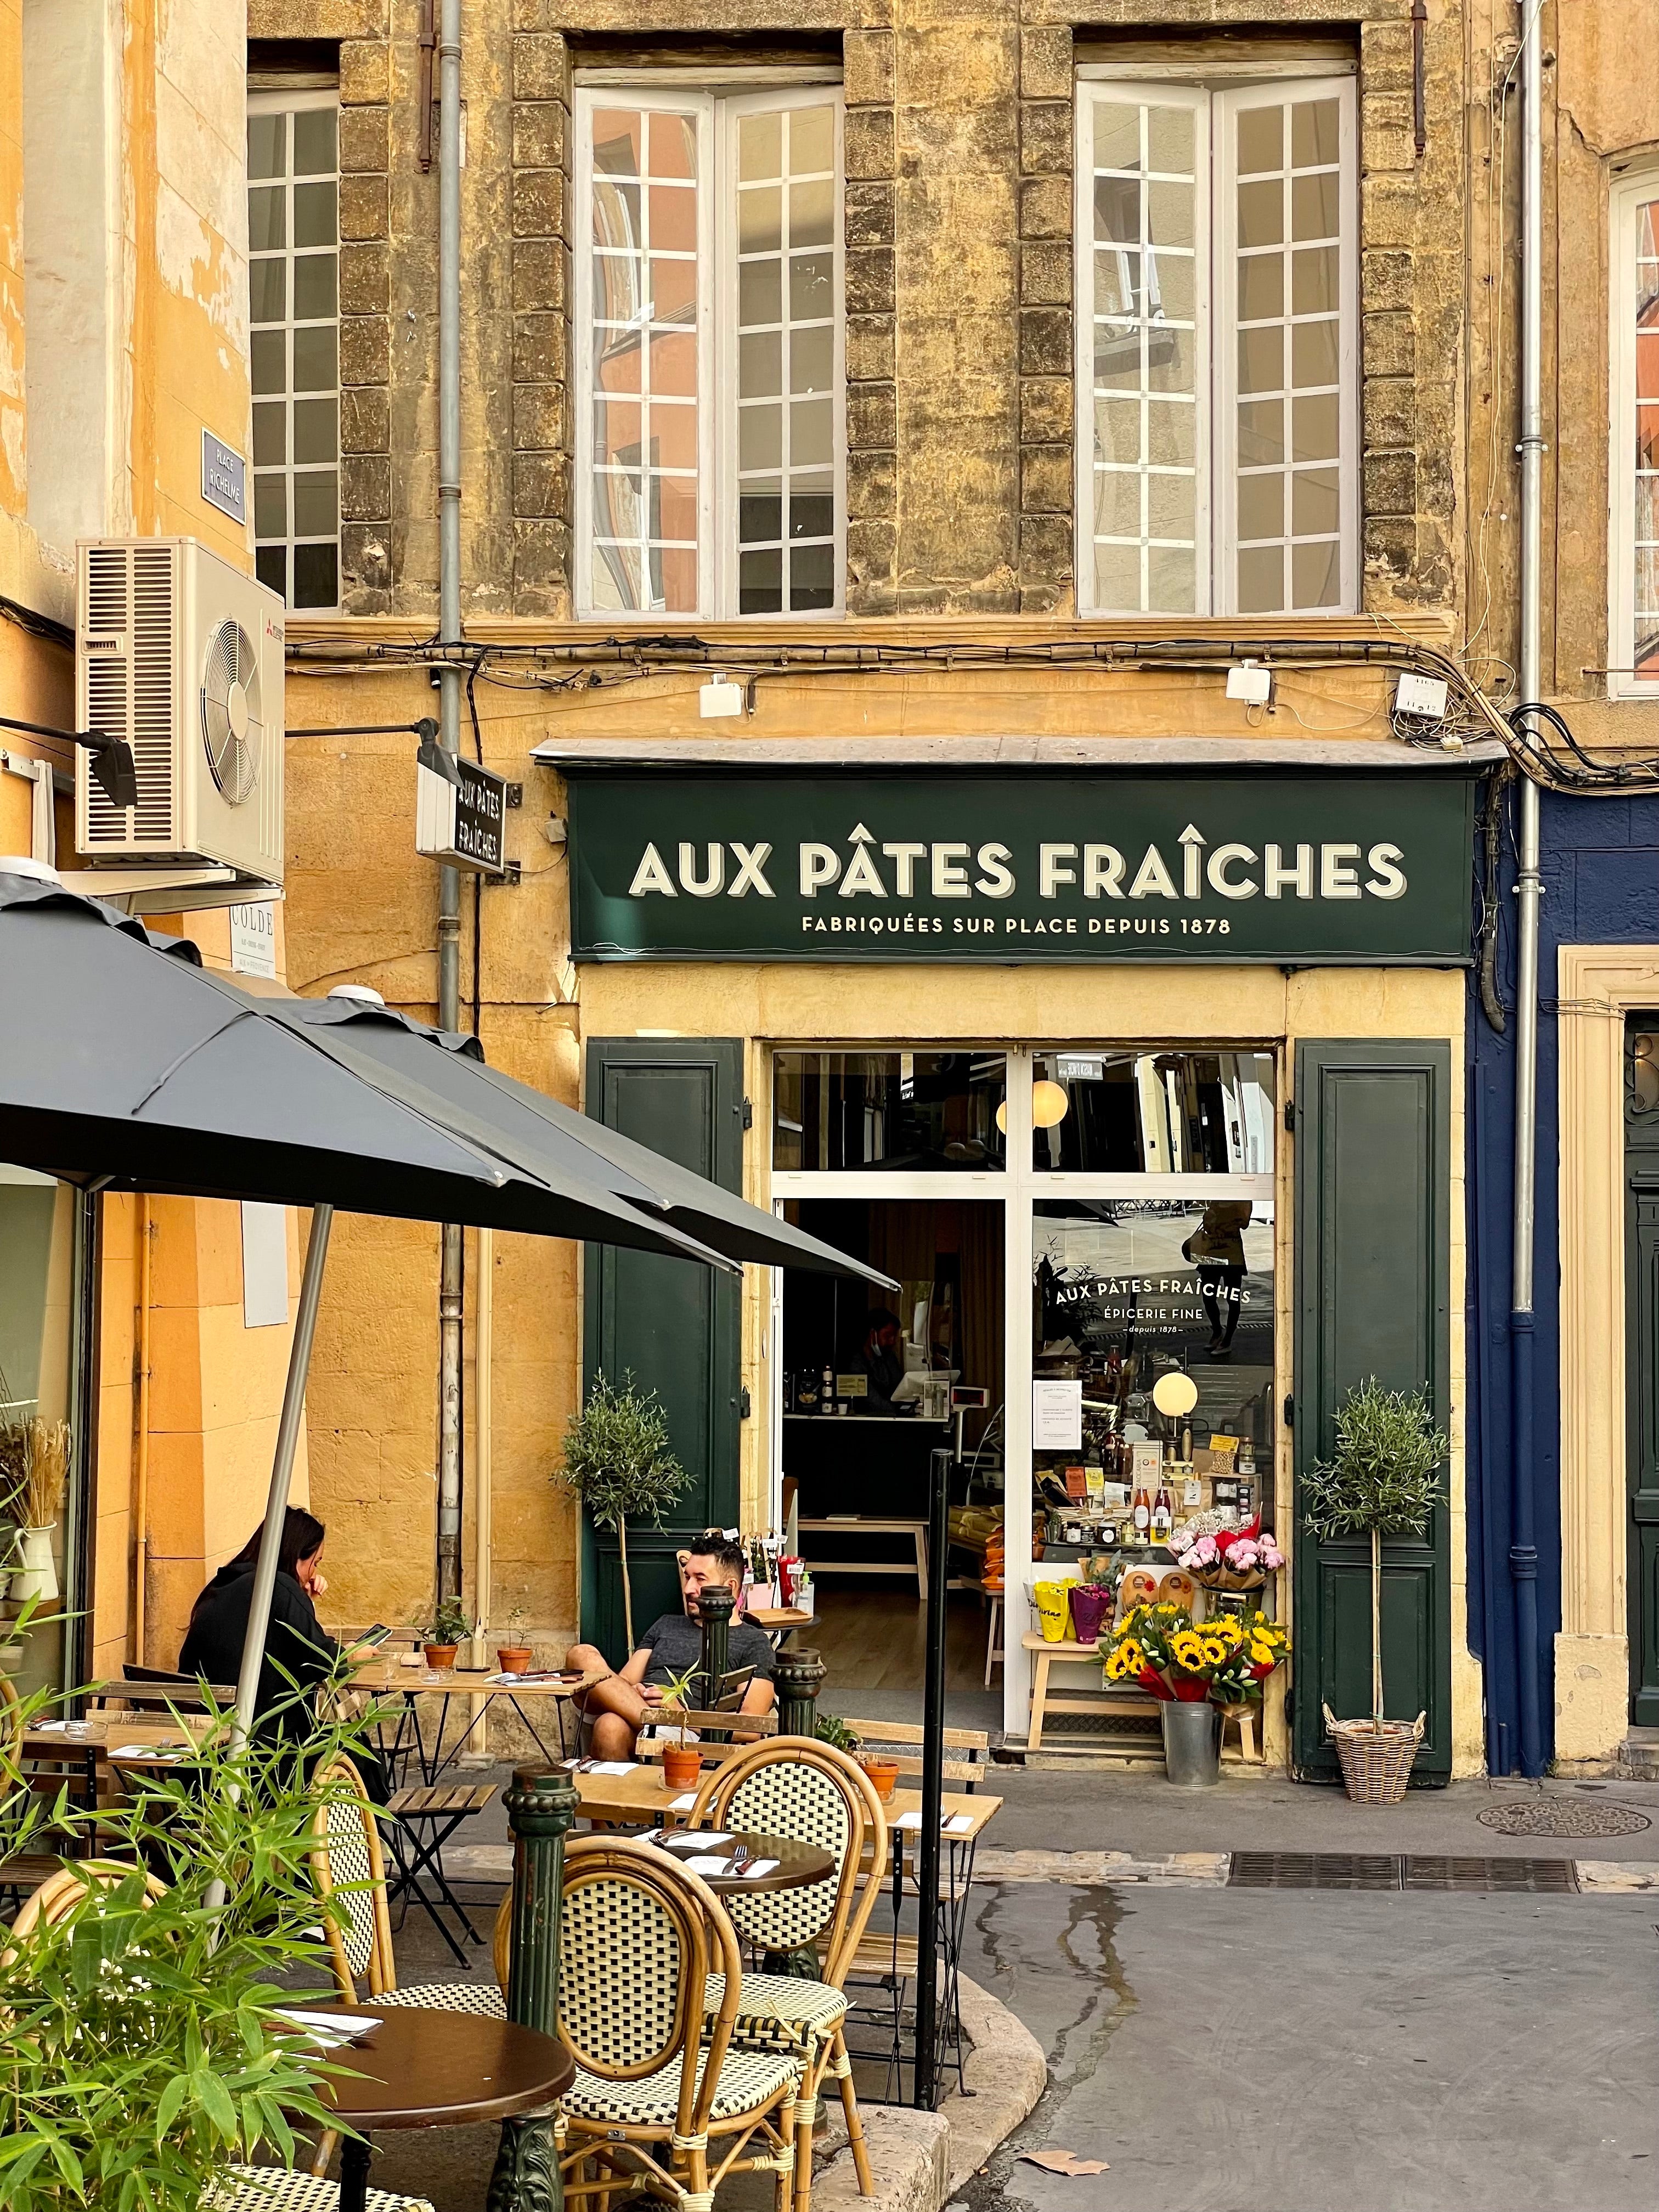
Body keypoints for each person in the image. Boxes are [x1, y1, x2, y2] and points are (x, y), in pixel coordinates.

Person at [178, 1506, 376, 1759]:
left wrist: (305, 1600)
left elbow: (286, 1644)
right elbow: (323, 1660)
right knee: (357, 1749)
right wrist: (355, 1654)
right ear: (295, 1555)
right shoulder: (279, 1586)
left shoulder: (223, 1584)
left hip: (209, 1744)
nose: (313, 1574)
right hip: (264, 1745)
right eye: (314, 1563)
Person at [564, 1533, 776, 1762]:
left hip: (691, 1738)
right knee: (582, 1658)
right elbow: (621, 1684)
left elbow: (752, 1726)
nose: (688, 1589)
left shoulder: (754, 1642)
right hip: (642, 1724)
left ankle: (662, 1726)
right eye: (687, 1578)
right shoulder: (666, 1624)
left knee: (609, 1725)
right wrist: (635, 1691)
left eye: (700, 1579)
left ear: (730, 1587)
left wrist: (681, 1716)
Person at [856, 1306, 905, 1413]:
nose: (892, 1342)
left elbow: (900, 1388)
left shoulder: (889, 1358)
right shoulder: (857, 1363)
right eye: (887, 1336)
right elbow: (870, 1398)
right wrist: (897, 1413)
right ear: (872, 1334)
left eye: (894, 1336)